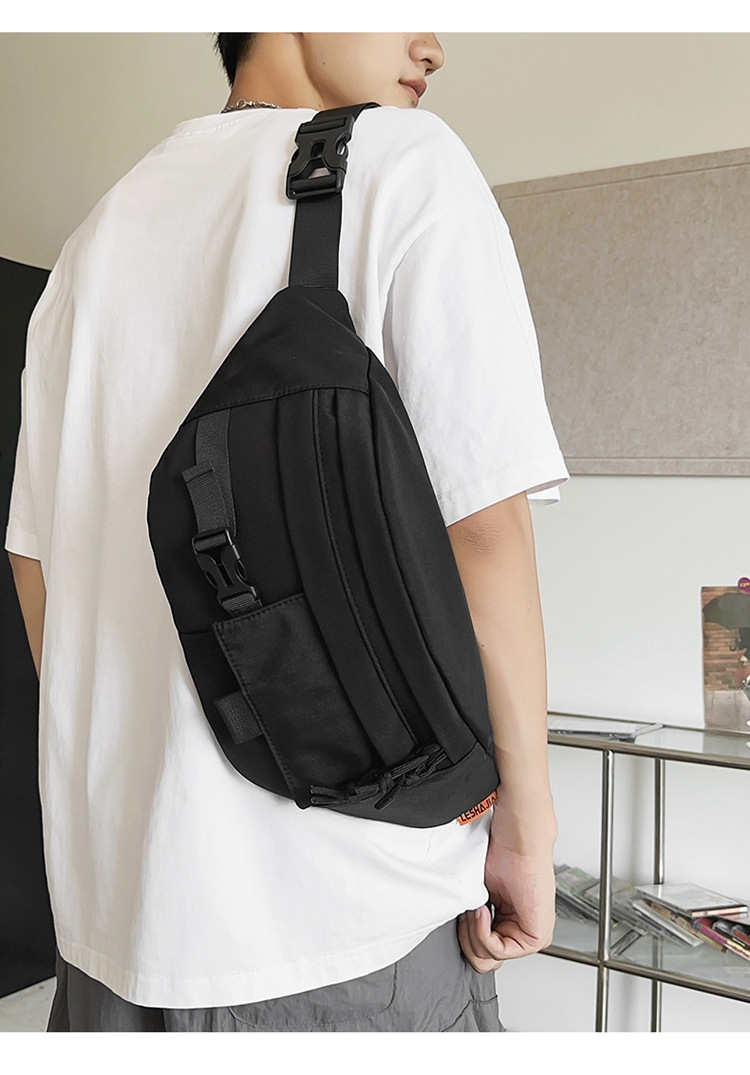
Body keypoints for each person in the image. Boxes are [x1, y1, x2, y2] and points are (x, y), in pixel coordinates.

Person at [5, 32, 569, 1032]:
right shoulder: (405, 161)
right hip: (342, 917)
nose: (434, 43)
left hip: (112, 934)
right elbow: (484, 531)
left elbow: (34, 559)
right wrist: (525, 832)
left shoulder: (95, 239)